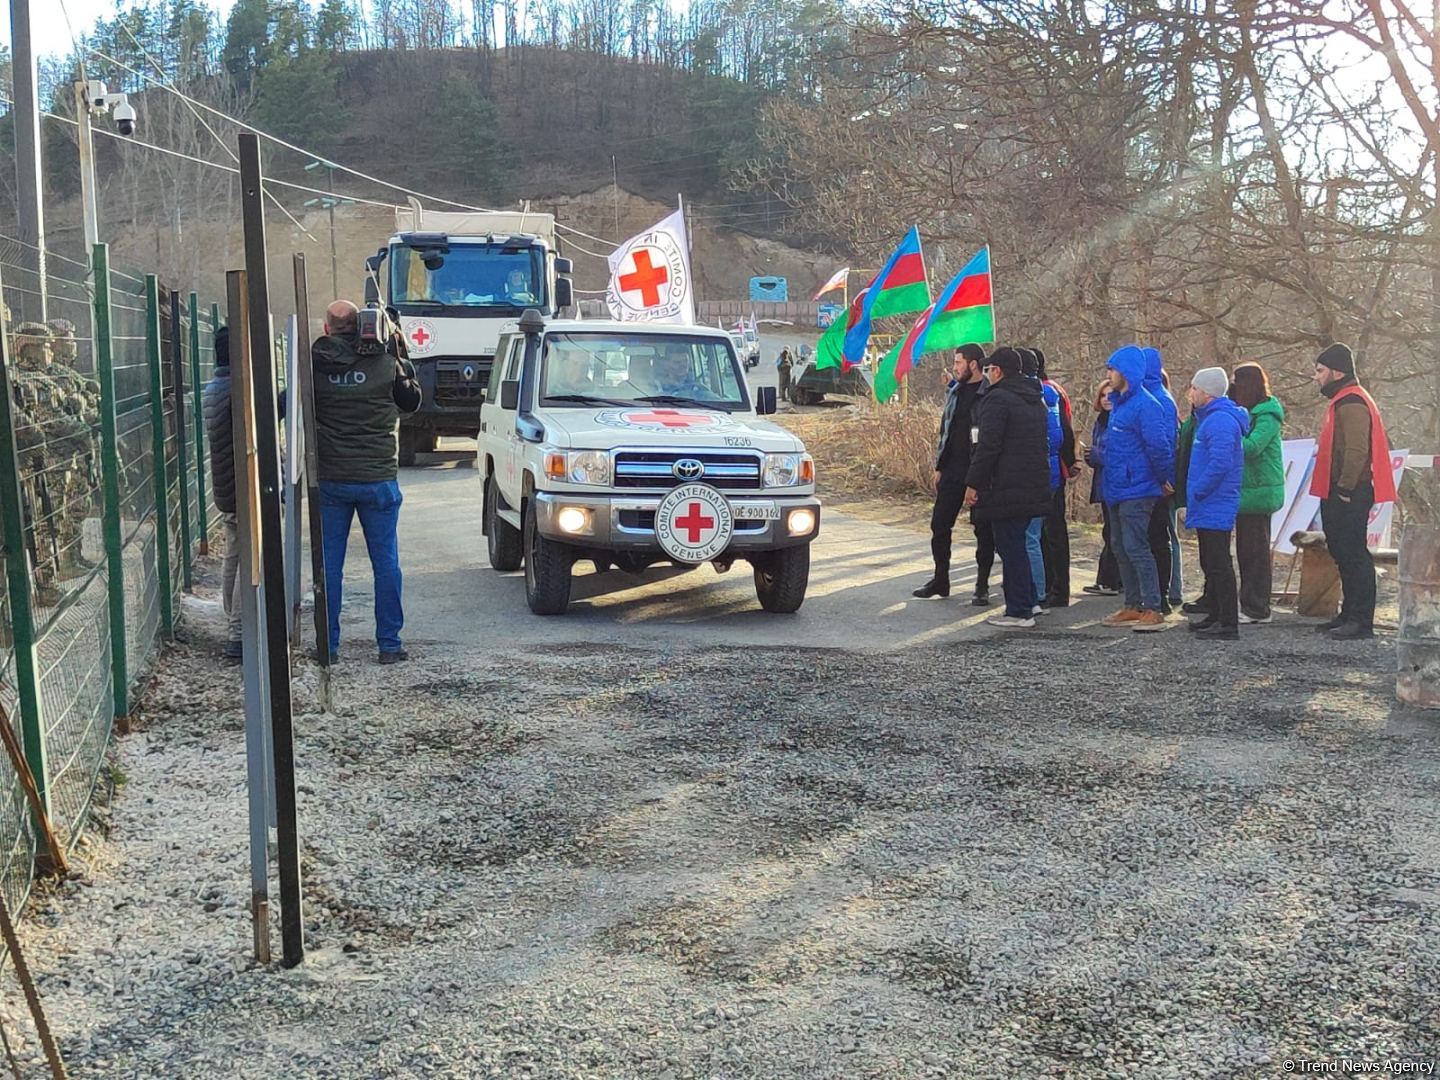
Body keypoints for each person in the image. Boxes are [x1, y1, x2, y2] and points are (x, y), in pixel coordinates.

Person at [312, 300, 423, 663]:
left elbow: (287, 404)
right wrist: (400, 351)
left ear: (327, 329)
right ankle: (389, 644)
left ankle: (328, 647)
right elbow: (412, 402)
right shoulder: (386, 364)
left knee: (330, 565)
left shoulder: (313, 366)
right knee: (386, 563)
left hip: (332, 479)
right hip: (378, 479)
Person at [963, 347, 1051, 630]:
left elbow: (988, 446)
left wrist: (973, 482)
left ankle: (1019, 610)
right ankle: (1029, 601)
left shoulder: (998, 399)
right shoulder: (1035, 398)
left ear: (998, 371)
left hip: (1004, 486)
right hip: (1031, 484)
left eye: (989, 369)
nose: (987, 374)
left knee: (1010, 548)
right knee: (1019, 545)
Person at [1311, 343, 1394, 640]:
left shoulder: (1352, 401)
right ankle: (1349, 614)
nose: (1316, 377)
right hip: (1342, 488)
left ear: (1336, 372)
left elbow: (1356, 450)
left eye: (1320, 370)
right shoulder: (1345, 399)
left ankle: (1360, 620)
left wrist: (1345, 488)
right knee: (1342, 551)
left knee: (1353, 553)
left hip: (1350, 490)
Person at [1099, 345, 1175, 632]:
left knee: (1137, 547)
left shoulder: (1146, 405)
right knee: (1119, 546)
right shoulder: (1120, 404)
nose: (1109, 375)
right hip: (1116, 486)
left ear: (1127, 372)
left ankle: (1153, 607)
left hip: (1138, 487)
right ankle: (1132, 604)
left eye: (1113, 370)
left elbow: (1159, 446)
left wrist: (1162, 478)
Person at [1182, 368, 1249, 640]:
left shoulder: (1220, 421)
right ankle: (1216, 614)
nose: (1191, 393)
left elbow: (1220, 463)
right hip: (1208, 501)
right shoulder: (1210, 419)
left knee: (1219, 562)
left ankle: (1228, 623)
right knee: (1210, 561)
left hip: (1215, 500)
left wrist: (1199, 489)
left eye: (1195, 388)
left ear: (1207, 393)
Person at [914, 344, 986, 599]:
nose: (955, 367)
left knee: (983, 530)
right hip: (952, 470)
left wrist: (978, 479)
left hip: (979, 471)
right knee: (940, 525)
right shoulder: (955, 391)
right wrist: (940, 466)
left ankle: (981, 587)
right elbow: (946, 431)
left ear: (973, 364)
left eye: (958, 363)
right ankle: (940, 580)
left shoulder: (989, 393)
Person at [1225, 362, 1285, 623]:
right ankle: (1250, 602)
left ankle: (1257, 607)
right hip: (1249, 490)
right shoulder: (1250, 412)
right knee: (1246, 549)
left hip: (1260, 492)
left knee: (1255, 552)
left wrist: (1224, 437)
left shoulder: (1267, 415)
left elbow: (1252, 447)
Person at [202, 328, 243, 662]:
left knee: (234, 553)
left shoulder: (216, 386)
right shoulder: (238, 389)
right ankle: (238, 632)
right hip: (243, 486)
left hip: (226, 485)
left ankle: (232, 619)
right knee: (249, 557)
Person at [1139, 348, 1180, 614]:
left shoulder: (1158, 400)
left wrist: (1163, 478)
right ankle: (1154, 594)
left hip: (1155, 481)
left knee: (1157, 539)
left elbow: (1162, 445)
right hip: (1147, 479)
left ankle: (1162, 595)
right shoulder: (1153, 396)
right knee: (1152, 539)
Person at [1036, 348, 1077, 607]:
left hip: (1053, 468)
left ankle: (1057, 587)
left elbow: (1064, 431)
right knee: (1049, 531)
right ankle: (1052, 584)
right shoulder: (1056, 389)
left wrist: (1069, 463)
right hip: (1057, 466)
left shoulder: (1046, 392)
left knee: (1052, 532)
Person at [1082, 378, 1121, 596]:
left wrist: (1100, 456)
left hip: (1116, 482)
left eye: (1110, 395)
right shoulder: (1101, 421)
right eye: (1103, 395)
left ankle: (1111, 581)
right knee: (1109, 531)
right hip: (1103, 481)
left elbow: (1121, 454)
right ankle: (1107, 579)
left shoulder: (1119, 419)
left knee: (1114, 533)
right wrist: (1091, 457)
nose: (1106, 399)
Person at [1017, 349, 1048, 615]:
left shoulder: (1038, 398)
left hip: (1033, 478)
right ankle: (1031, 591)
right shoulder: (1040, 396)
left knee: (1029, 538)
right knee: (1030, 538)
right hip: (1039, 476)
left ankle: (1035, 593)